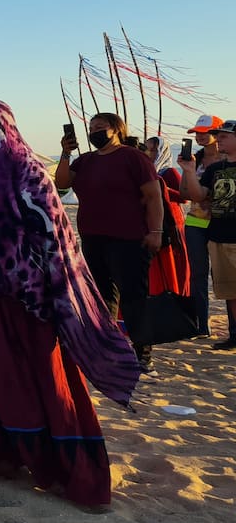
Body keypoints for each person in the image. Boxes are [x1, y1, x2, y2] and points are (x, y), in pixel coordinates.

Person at [0, 100, 139, 508]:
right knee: (45, 376)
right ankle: (63, 472)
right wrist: (63, 290)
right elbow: (56, 234)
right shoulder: (26, 166)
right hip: (29, 299)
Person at [55, 113, 163, 373]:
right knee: (102, 296)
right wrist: (65, 153)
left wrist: (156, 231)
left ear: (116, 130)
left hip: (129, 237)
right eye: (91, 128)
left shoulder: (133, 157)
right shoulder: (86, 160)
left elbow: (153, 196)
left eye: (100, 127)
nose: (94, 132)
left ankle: (142, 351)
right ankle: (107, 347)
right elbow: (61, 183)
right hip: (94, 236)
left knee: (133, 295)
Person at [178, 119, 236, 349]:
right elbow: (198, 195)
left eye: (223, 136)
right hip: (218, 234)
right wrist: (190, 171)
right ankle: (234, 335)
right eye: (218, 136)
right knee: (229, 289)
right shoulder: (213, 169)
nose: (217, 139)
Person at [183, 115, 227, 335]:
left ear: (218, 133)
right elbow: (184, 193)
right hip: (195, 222)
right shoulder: (196, 159)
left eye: (205, 132)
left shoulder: (229, 160)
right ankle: (202, 324)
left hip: (223, 224)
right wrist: (187, 171)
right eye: (197, 132)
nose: (200, 136)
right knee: (198, 274)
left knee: (223, 275)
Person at [144, 135, 190, 299]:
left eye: (153, 149)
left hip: (172, 221)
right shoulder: (147, 171)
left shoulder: (168, 171)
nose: (149, 153)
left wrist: (160, 189)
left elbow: (184, 197)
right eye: (147, 148)